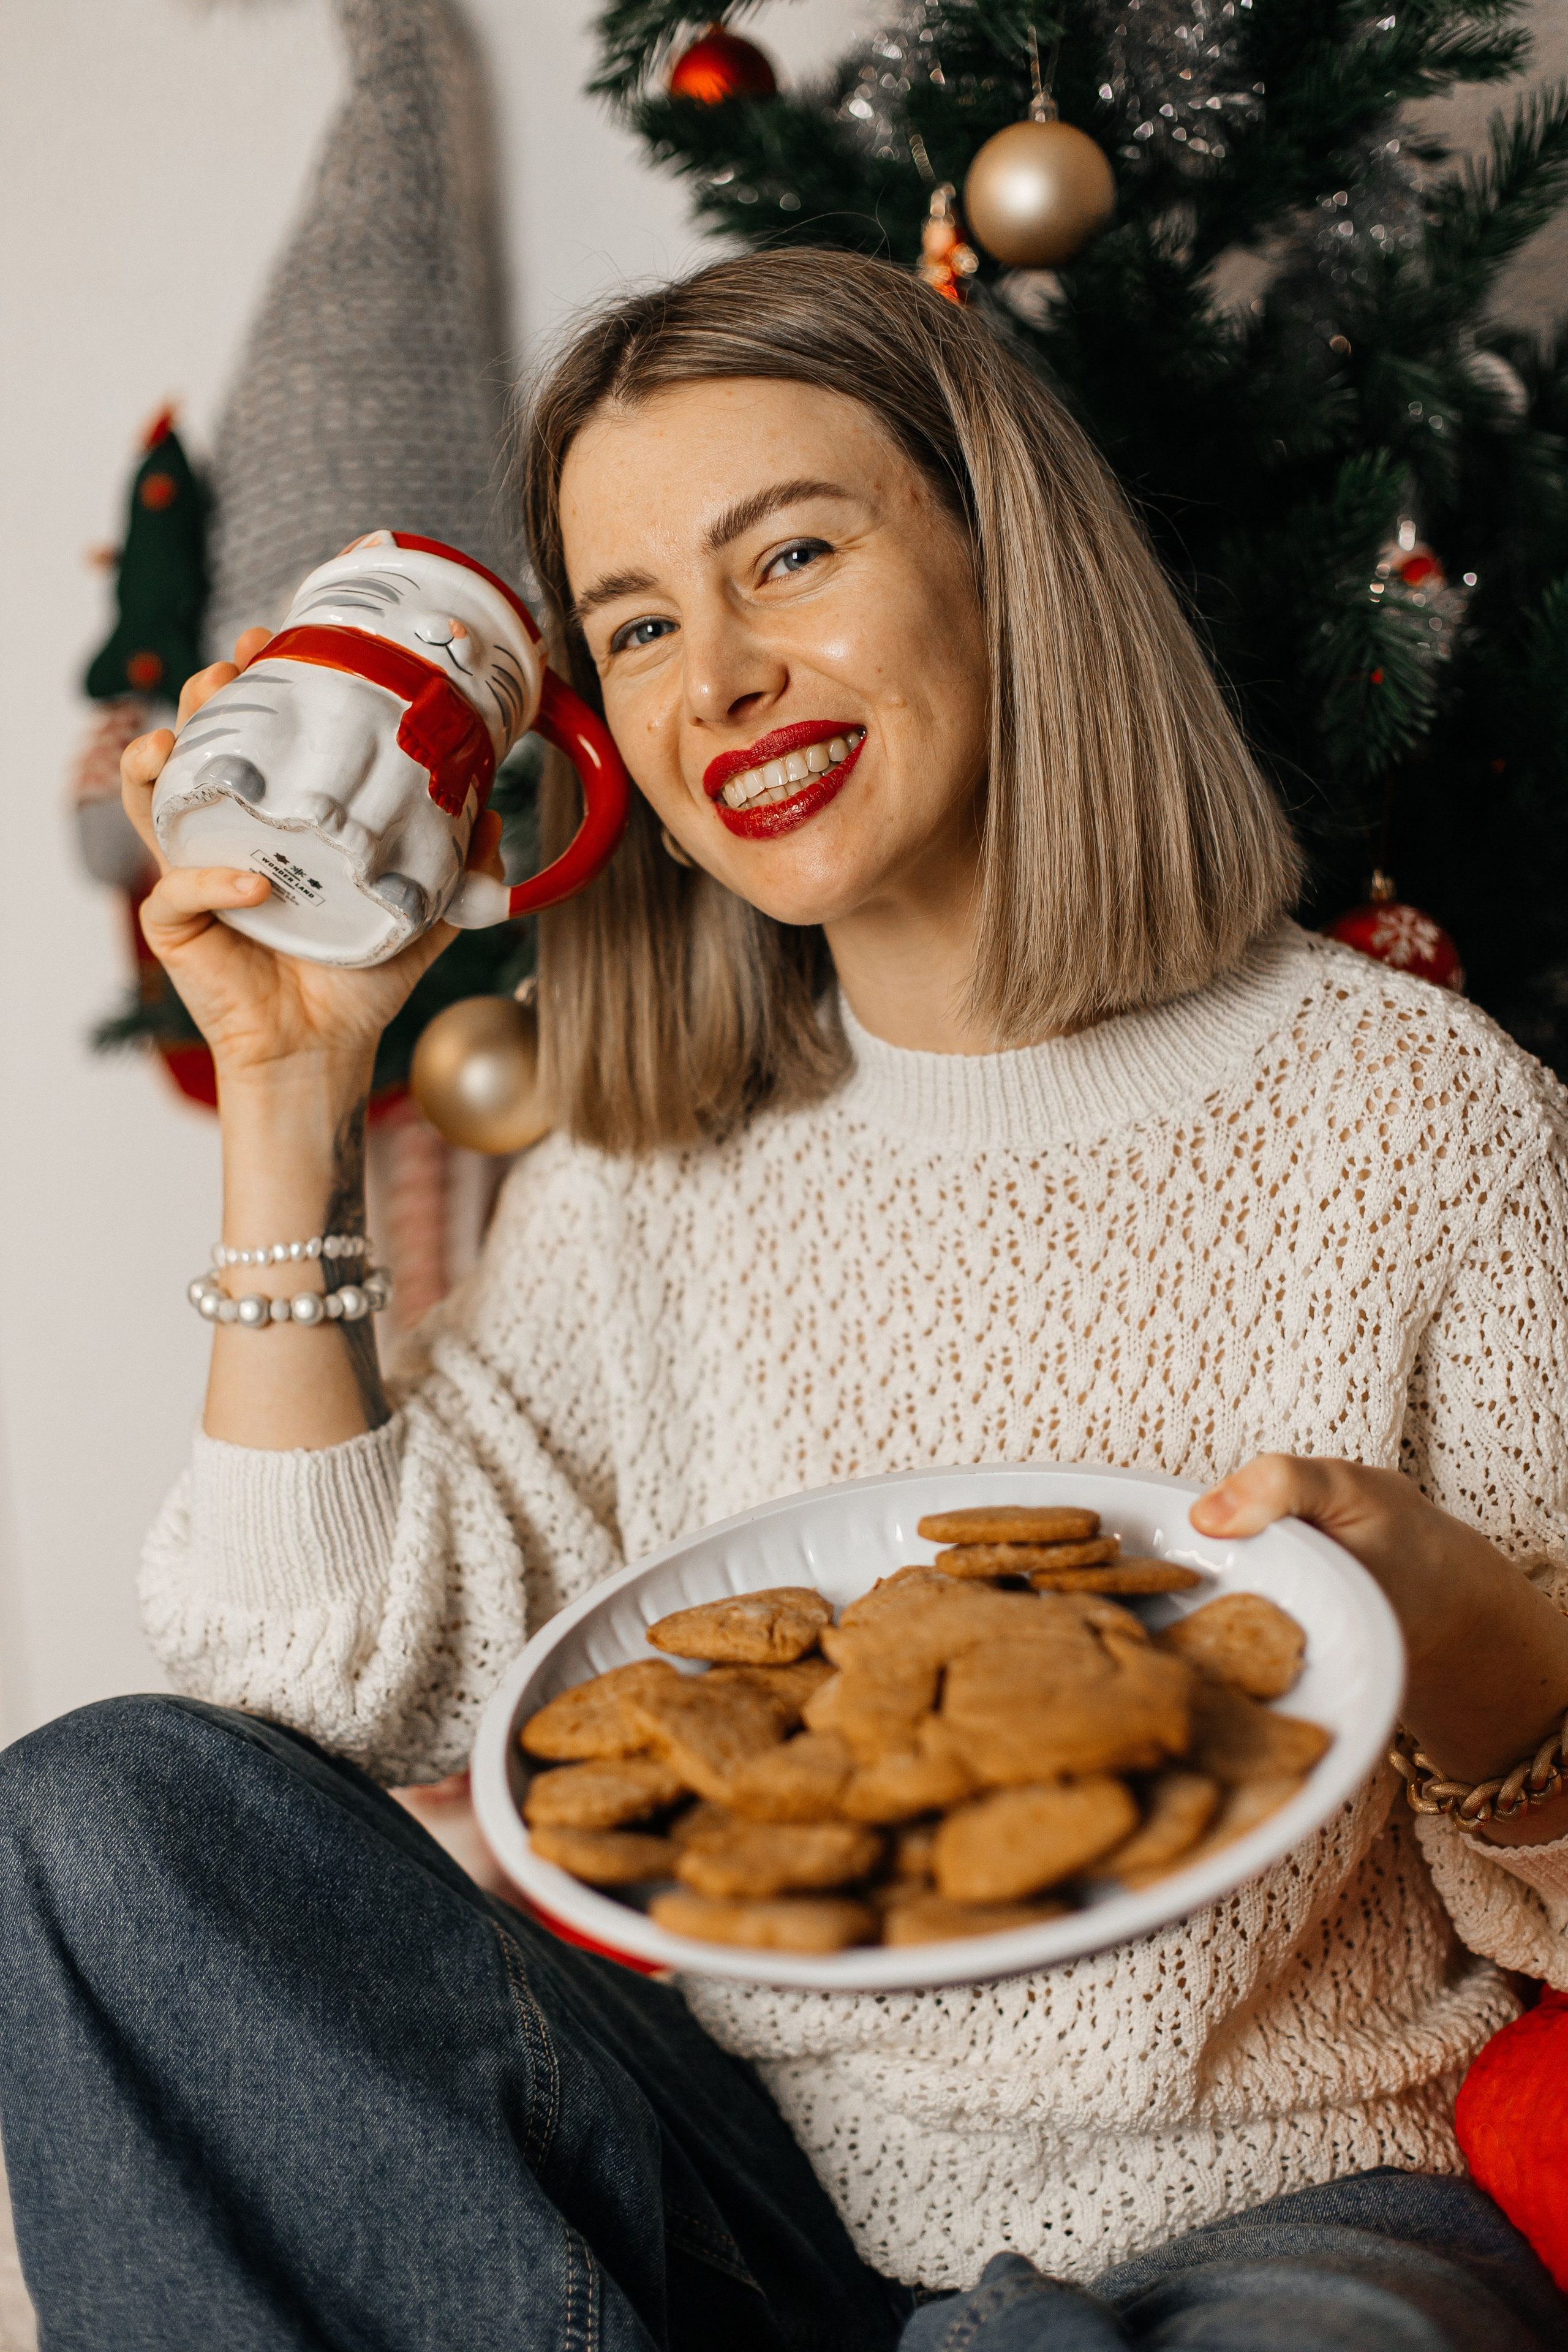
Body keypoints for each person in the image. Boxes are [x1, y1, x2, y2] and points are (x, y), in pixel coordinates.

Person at [3, 249, 1567, 2351]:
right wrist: (288, 1096)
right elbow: (323, 1682)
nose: (720, 679)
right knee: (97, 1817)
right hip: (751, 2202)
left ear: (1004, 564)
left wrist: (1472, 1634)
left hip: (1284, 2207)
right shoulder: (651, 1174)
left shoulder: (1413, 1117)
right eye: (641, 625)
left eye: (793, 556)